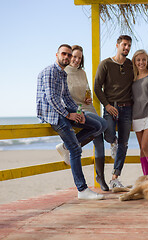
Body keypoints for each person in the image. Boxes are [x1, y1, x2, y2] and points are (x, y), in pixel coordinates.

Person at [37, 44, 106, 200]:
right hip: (53, 114)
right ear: (57, 55)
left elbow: (67, 97)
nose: (67, 57)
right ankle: (82, 190)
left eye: (69, 55)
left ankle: (65, 147)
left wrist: (79, 112)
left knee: (96, 125)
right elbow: (52, 99)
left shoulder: (62, 74)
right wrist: (69, 115)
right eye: (64, 54)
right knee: (75, 149)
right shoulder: (50, 72)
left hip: (64, 111)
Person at [94, 35, 148, 189]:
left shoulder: (131, 65)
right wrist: (107, 105)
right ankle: (113, 142)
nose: (127, 48)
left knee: (124, 143)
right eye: (124, 45)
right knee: (108, 134)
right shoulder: (105, 64)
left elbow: (145, 69)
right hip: (111, 107)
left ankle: (115, 177)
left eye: (129, 45)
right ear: (117, 45)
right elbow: (97, 87)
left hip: (128, 108)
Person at [60, 45, 109, 191]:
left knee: (99, 136)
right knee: (102, 125)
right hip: (76, 110)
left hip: (88, 107)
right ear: (69, 56)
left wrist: (88, 98)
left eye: (79, 58)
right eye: (74, 56)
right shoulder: (63, 72)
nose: (76, 60)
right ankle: (68, 146)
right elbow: (63, 97)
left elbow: (86, 90)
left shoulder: (82, 72)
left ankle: (100, 177)